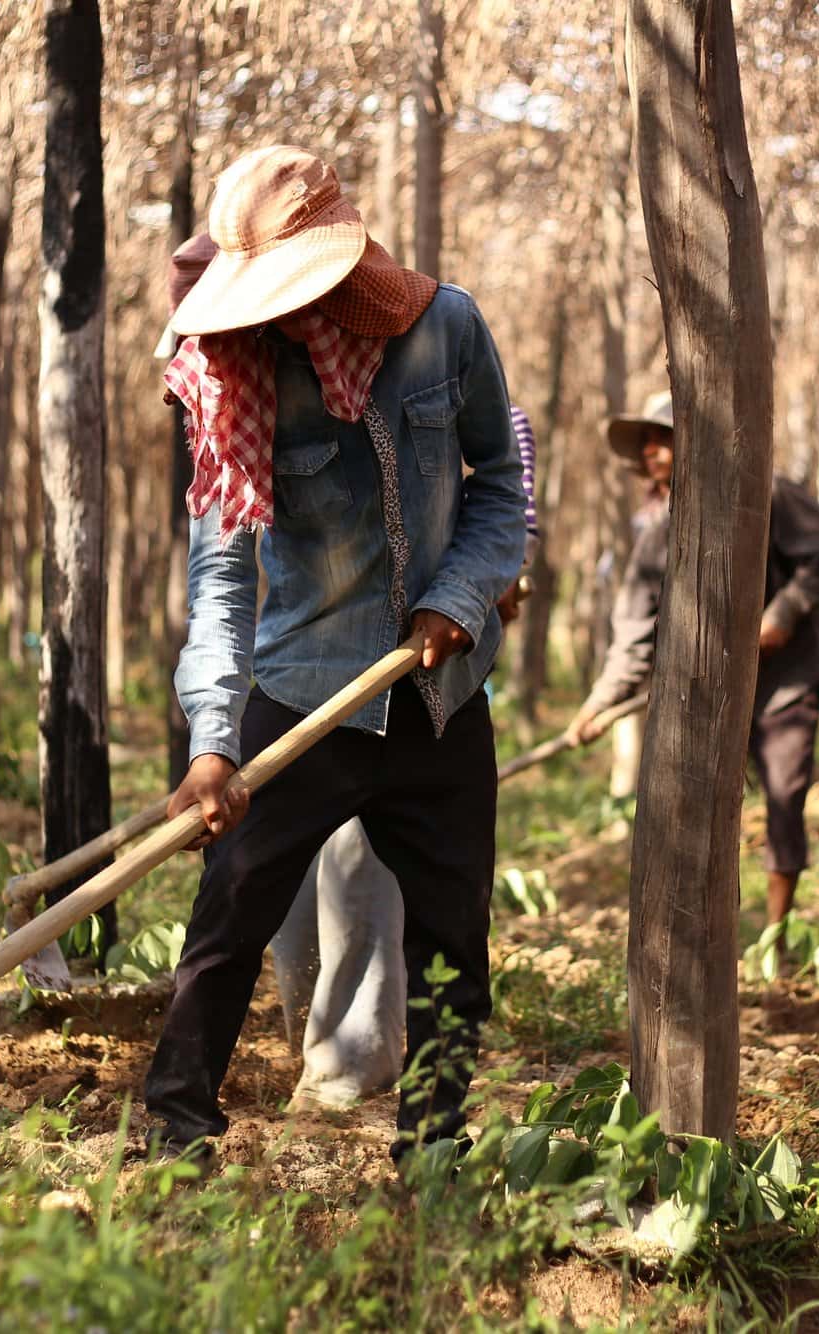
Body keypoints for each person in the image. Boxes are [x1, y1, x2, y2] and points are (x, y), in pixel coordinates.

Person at [146, 145, 526, 1164]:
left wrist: (458, 597)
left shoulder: (446, 328)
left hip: (439, 693)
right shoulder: (230, 372)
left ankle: (434, 1147)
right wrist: (212, 742)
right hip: (304, 686)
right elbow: (221, 581)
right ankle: (175, 1126)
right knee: (228, 913)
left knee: (452, 933)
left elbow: (500, 481)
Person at [270, 405, 540, 1110]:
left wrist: (476, 592)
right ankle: (317, 1027)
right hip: (307, 670)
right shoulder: (298, 391)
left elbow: (509, 529)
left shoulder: (488, 414)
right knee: (289, 877)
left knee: (362, 862)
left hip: (407, 685)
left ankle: (353, 1057)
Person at [565, 389, 819, 946]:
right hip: (709, 693)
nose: (651, 453)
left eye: (661, 439)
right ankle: (713, 940)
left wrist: (783, 610)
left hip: (784, 680)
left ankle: (776, 939)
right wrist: (600, 703)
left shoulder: (769, 496)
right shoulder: (655, 536)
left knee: (784, 795)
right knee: (701, 809)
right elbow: (634, 634)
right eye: (645, 445)